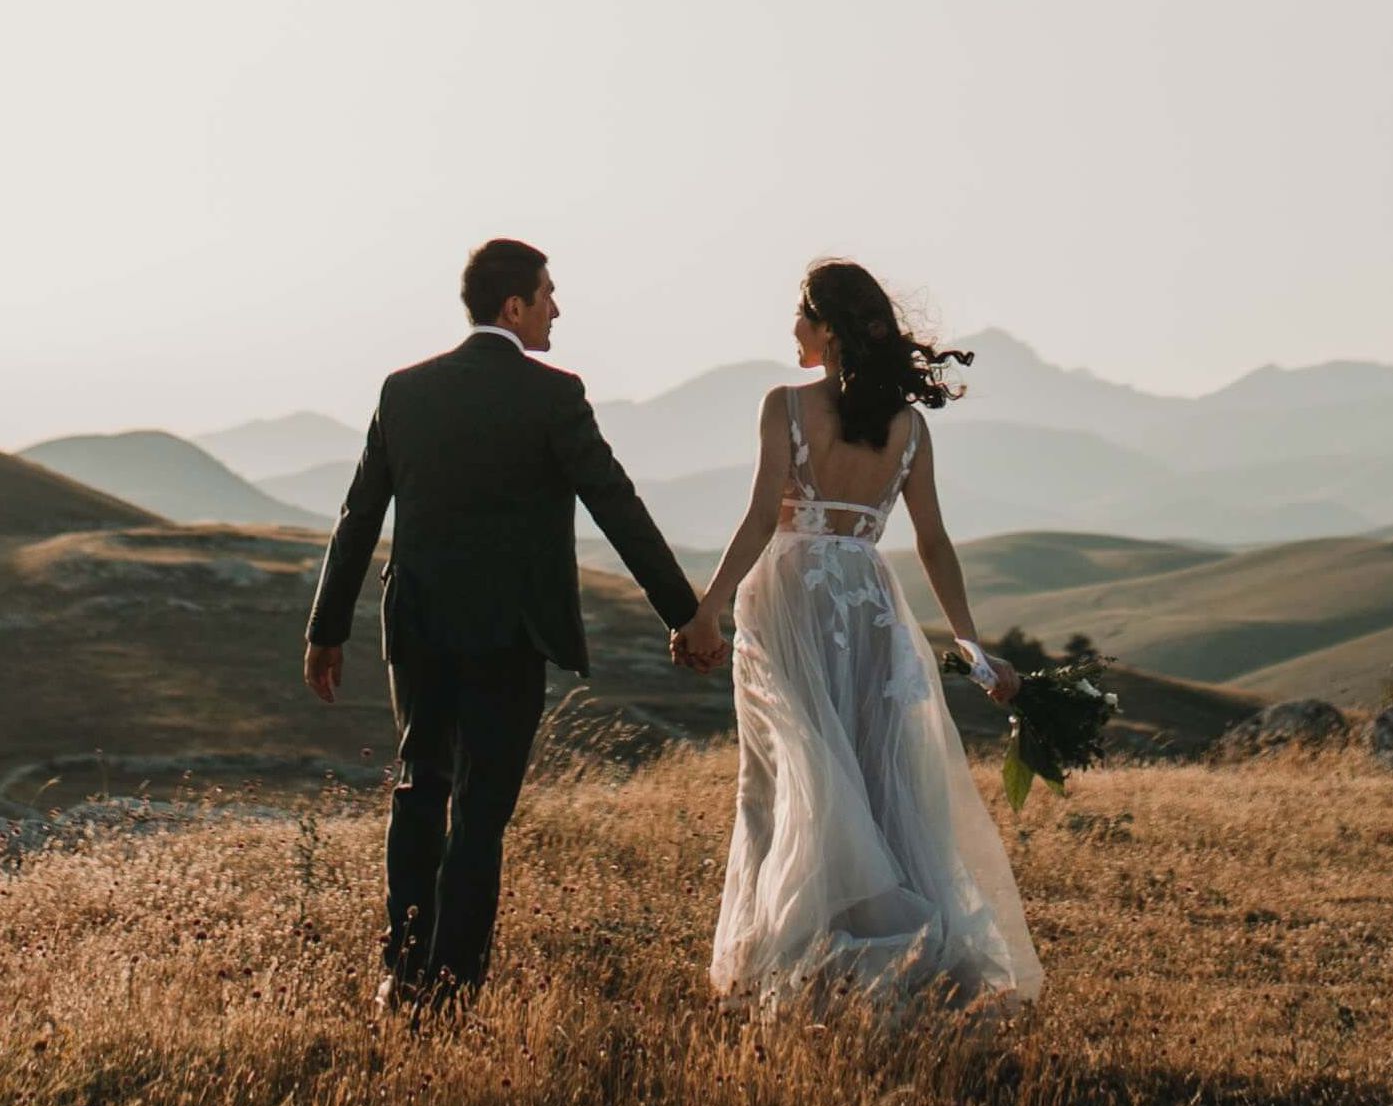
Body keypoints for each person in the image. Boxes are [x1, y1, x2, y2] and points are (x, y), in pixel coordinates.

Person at [302, 238, 715, 1019]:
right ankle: (452, 988)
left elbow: (359, 513)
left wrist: (327, 628)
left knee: (418, 787)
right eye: (548, 293)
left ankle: (402, 972)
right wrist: (682, 611)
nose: (557, 308)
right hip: (510, 634)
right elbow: (615, 504)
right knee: (480, 812)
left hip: (418, 627)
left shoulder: (403, 391)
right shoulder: (553, 395)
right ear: (513, 306)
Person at [672, 259, 1045, 1016]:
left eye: (802, 315)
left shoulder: (783, 405)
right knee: (872, 775)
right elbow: (933, 541)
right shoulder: (909, 428)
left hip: (789, 602)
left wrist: (708, 607)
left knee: (788, 773)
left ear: (830, 331)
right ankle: (886, 952)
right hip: (869, 604)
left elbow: (760, 517)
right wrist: (970, 644)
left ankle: (802, 955)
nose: (793, 328)